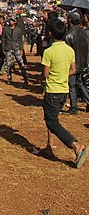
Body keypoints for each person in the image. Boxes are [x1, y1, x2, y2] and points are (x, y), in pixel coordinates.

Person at [41, 18, 88, 168]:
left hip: (52, 90)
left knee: (52, 122)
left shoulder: (48, 52)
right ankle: (49, 147)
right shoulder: (69, 50)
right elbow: (73, 70)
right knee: (53, 118)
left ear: (50, 33)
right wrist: (62, 74)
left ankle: (75, 145)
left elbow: (45, 74)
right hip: (64, 90)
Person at [64, 10, 89, 114]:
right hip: (82, 62)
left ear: (69, 20)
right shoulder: (83, 32)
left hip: (72, 64)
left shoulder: (68, 35)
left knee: (72, 85)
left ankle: (74, 107)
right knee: (80, 83)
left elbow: (66, 52)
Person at [2, 15, 29, 85]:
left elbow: (20, 40)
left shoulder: (18, 30)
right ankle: (9, 78)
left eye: (12, 20)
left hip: (16, 47)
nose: (10, 21)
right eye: (10, 20)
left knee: (21, 63)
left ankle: (25, 78)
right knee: (8, 64)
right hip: (8, 47)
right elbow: (3, 39)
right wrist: (3, 48)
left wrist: (21, 49)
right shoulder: (6, 29)